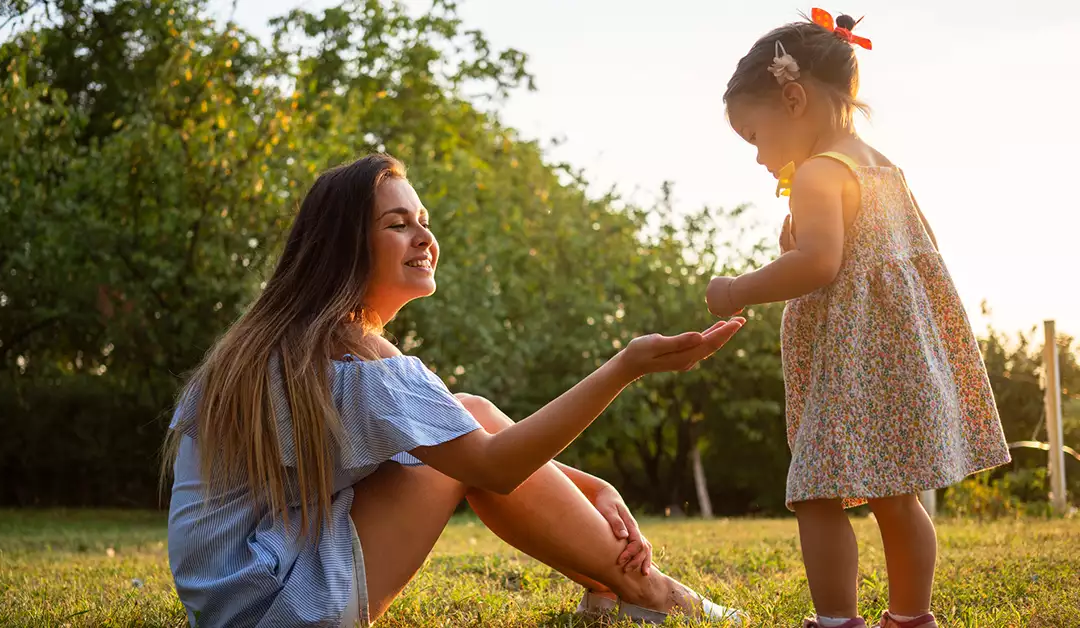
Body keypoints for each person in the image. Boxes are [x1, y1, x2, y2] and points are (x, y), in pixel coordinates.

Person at [162, 153, 749, 627]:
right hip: (276, 606)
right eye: (398, 225)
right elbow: (490, 467)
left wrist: (593, 485)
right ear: (344, 248)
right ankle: (650, 590)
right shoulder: (348, 354)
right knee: (465, 442)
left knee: (466, 412)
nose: (423, 236)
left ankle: (607, 586)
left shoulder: (290, 341)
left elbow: (468, 433)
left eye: (423, 220)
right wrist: (626, 366)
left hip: (236, 597)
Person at [705, 9, 1011, 628]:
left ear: (793, 99)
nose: (759, 156)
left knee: (816, 493)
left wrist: (738, 288)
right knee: (895, 496)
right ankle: (910, 617)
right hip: (901, 362)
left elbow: (820, 265)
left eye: (755, 137)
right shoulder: (883, 169)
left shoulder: (819, 173)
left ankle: (837, 620)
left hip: (852, 367)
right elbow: (871, 259)